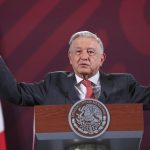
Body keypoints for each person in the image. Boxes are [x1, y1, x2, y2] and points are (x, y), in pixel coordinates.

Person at [0, 31, 150, 106]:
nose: (84, 57)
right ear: (70, 58)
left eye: (91, 52)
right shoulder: (53, 83)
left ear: (102, 59)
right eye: (78, 52)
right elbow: (15, 94)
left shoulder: (124, 84)